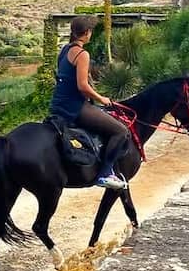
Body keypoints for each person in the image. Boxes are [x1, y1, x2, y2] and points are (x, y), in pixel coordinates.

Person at [49, 15, 131, 190]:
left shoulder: (65, 50)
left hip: (58, 104)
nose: (90, 34)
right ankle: (105, 174)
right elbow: (82, 86)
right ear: (86, 33)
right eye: (90, 31)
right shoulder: (82, 54)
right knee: (121, 131)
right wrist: (102, 99)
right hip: (75, 107)